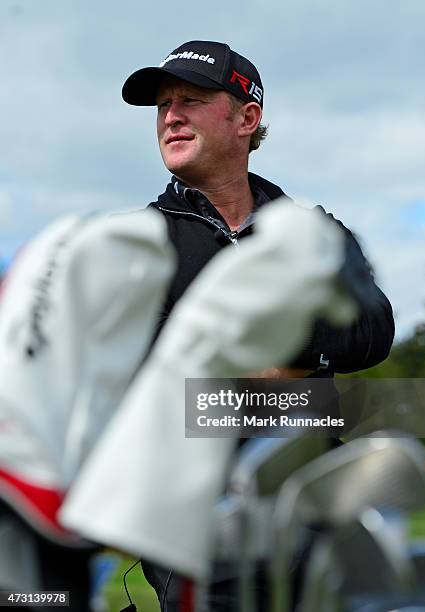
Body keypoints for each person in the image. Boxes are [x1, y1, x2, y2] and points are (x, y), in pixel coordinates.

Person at [121, 40, 395, 611]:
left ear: (246, 118)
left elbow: (373, 331)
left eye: (190, 100)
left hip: (313, 508)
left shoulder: (315, 231)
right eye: (163, 105)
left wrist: (261, 345)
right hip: (192, 528)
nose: (170, 116)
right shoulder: (138, 247)